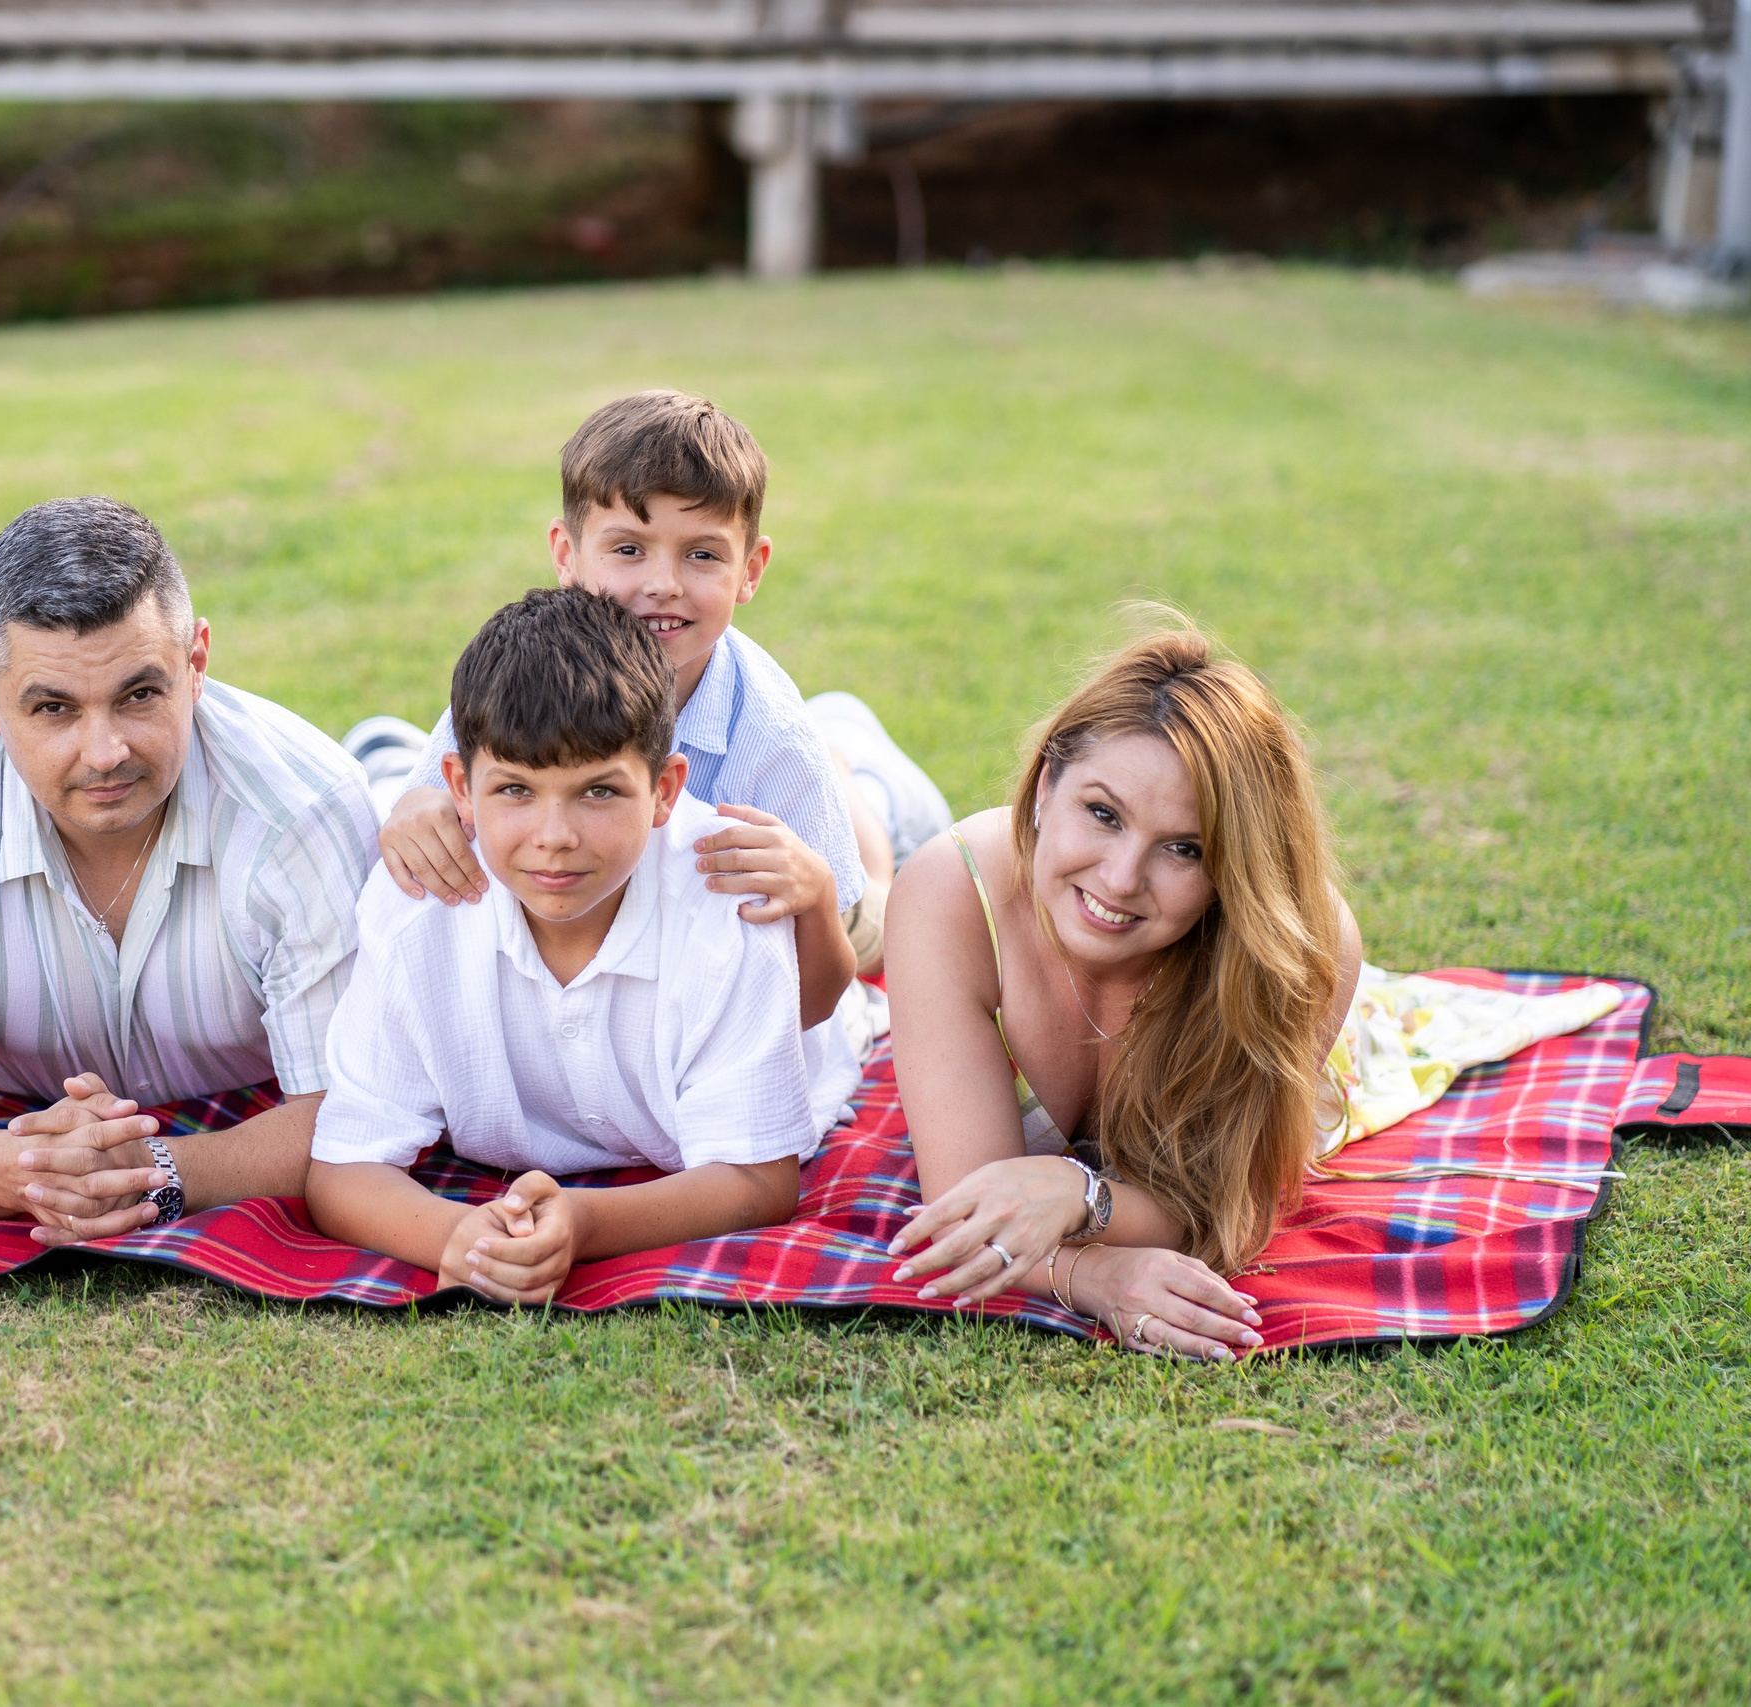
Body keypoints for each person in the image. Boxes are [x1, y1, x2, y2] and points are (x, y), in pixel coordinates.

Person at [0, 497, 379, 1244]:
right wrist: (22, 1168)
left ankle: (390, 756)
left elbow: (357, 1108)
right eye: (54, 708)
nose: (104, 749)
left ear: (197, 664)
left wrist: (156, 1174)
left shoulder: (305, 810)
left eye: (139, 694)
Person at [308, 589, 850, 1302]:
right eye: (514, 790)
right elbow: (342, 1167)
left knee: (871, 808)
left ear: (664, 790)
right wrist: (456, 1237)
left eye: (597, 792)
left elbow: (758, 1179)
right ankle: (386, 754)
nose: (554, 835)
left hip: (826, 1013)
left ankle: (851, 745)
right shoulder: (414, 907)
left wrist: (586, 1222)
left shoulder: (733, 904)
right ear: (459, 791)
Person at [360, 389, 945, 1029]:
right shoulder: (526, 668)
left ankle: (850, 760)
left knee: (876, 927)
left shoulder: (773, 738)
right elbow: (441, 806)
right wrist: (415, 803)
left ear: (750, 569)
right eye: (629, 550)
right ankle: (389, 753)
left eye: (701, 554)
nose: (663, 583)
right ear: (566, 555)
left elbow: (817, 981)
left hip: (786, 840)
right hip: (621, 894)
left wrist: (827, 892)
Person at [882, 622, 1364, 1362]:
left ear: (1231, 872)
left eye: (1184, 849)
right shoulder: (953, 894)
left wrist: (1080, 1196)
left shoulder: (1297, 948)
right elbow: (968, 1218)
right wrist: (1094, 1273)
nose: (1119, 878)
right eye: (1102, 813)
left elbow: (1222, 1205)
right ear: (1047, 786)